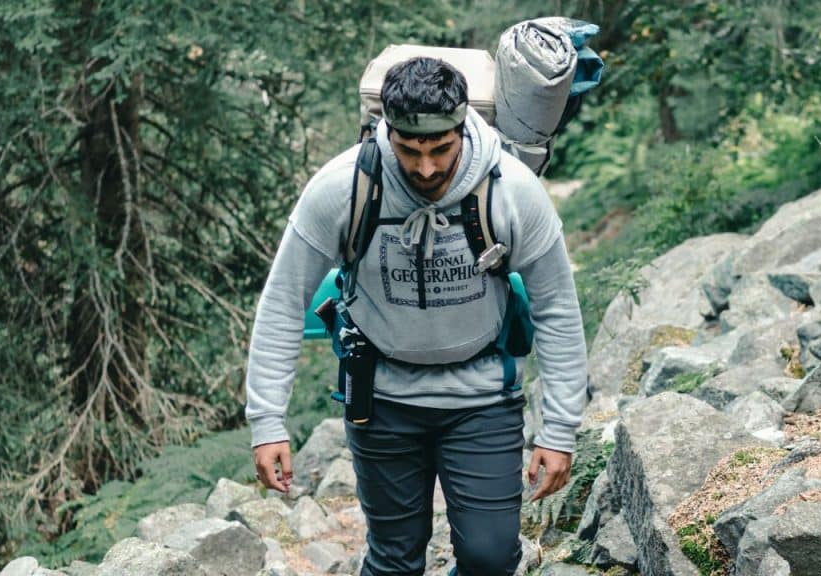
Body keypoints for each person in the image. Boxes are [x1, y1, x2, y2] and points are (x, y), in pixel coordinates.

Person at [246, 57, 588, 576]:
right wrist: (267, 422)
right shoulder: (343, 188)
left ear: (461, 129)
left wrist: (558, 430)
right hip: (382, 401)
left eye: (439, 150)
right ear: (387, 130)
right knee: (395, 562)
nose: (425, 167)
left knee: (491, 557)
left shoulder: (512, 190)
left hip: (482, 400)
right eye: (409, 151)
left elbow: (558, 308)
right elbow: (282, 302)